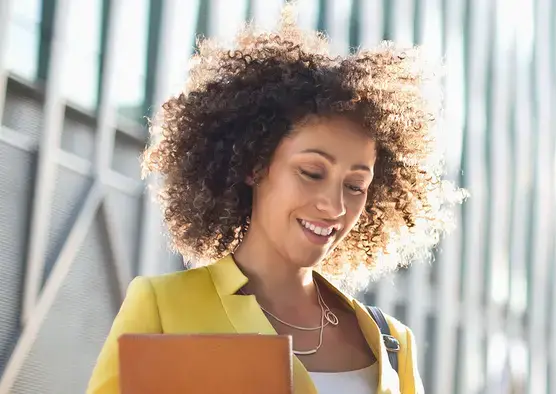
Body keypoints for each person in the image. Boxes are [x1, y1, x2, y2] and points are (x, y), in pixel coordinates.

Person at [87, 6, 462, 394]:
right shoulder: (163, 307)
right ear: (254, 164)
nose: (334, 207)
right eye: (312, 173)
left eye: (355, 186)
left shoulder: (392, 342)